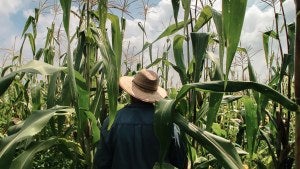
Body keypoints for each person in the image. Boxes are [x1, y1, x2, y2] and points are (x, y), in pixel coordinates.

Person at [94, 69, 188, 169]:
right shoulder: (167, 124)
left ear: (131, 93)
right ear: (154, 95)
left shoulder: (111, 122)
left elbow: (101, 163)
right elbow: (180, 162)